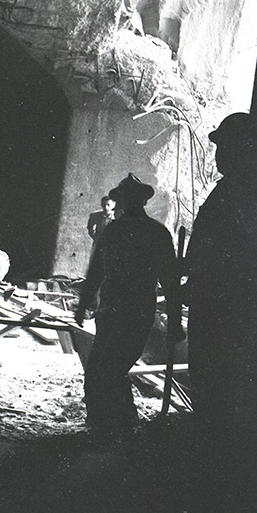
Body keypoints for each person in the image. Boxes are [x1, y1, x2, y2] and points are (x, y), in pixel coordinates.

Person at [183, 112, 257, 440]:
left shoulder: (248, 193)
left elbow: (239, 254)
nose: (218, 154)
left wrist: (198, 276)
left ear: (244, 148)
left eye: (224, 146)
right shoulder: (238, 189)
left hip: (226, 307)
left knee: (219, 381)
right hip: (218, 301)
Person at [72, 174, 181, 436]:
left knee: (108, 368)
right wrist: (84, 303)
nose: (125, 203)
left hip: (134, 311)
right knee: (104, 369)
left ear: (141, 200)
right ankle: (110, 425)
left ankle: (118, 425)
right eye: (123, 198)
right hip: (113, 311)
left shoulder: (155, 234)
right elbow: (96, 271)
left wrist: (176, 322)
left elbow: (170, 281)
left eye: (130, 198)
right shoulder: (117, 231)